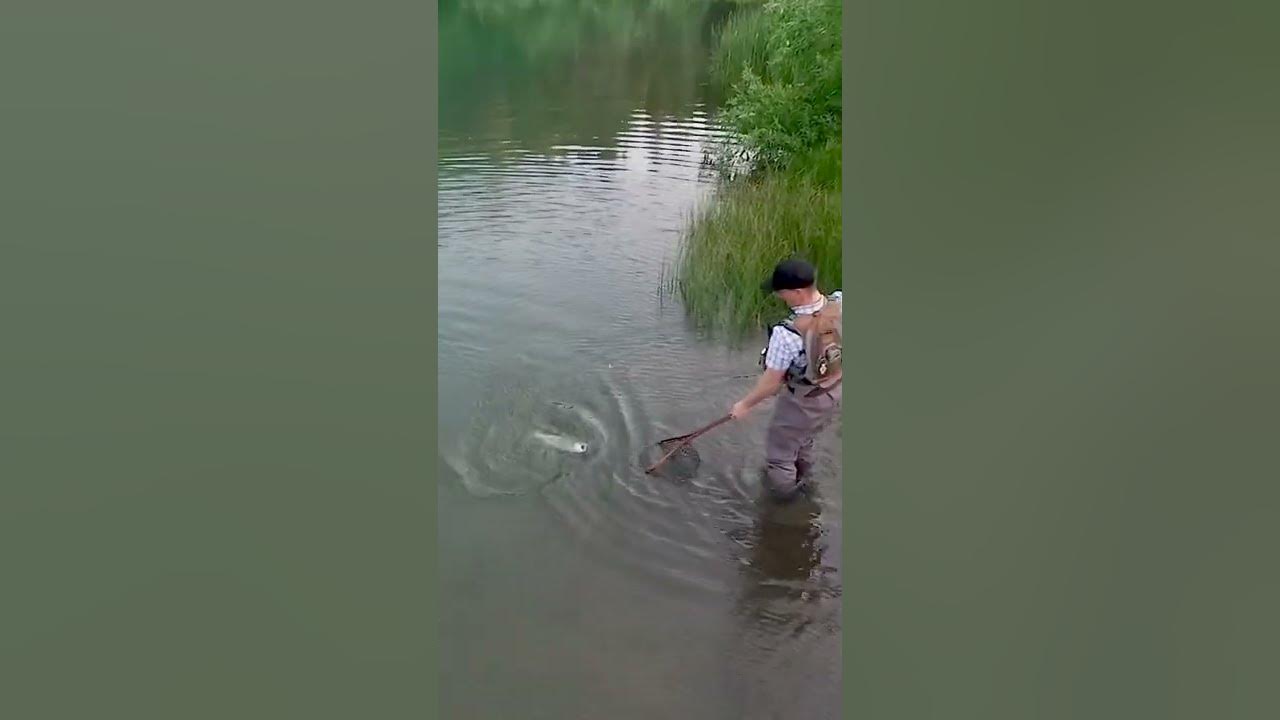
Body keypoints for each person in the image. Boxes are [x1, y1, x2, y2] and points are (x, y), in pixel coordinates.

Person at [730, 258, 842, 500]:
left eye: (782, 292)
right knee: (804, 438)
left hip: (804, 401)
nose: (780, 296)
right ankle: (805, 479)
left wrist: (744, 405)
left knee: (780, 453)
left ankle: (785, 506)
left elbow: (771, 382)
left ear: (798, 292)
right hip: (834, 389)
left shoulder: (787, 333)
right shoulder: (840, 302)